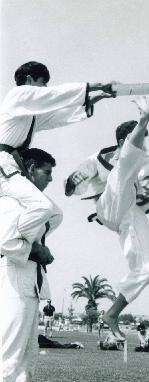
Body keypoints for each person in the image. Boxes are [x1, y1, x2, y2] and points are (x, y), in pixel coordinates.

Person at [0, 61, 116, 270]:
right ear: (28, 80)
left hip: (12, 168)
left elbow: (57, 117)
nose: (44, 89)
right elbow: (52, 97)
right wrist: (94, 86)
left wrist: (92, 100)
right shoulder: (17, 96)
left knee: (54, 215)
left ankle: (21, 246)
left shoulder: (28, 114)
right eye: (42, 83)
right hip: (3, 167)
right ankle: (14, 245)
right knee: (42, 207)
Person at [65, 97, 149, 341]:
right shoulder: (95, 158)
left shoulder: (141, 158)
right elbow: (72, 188)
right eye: (140, 139)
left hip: (129, 212)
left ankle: (112, 313)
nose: (145, 148)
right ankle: (145, 117)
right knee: (122, 171)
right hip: (107, 206)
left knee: (147, 270)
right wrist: (71, 182)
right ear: (122, 141)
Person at [0, 148, 63, 382]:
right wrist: (35, 250)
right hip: (13, 281)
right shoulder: (11, 203)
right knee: (9, 357)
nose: (51, 178)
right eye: (46, 172)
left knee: (28, 358)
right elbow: (5, 242)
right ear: (30, 168)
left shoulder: (32, 207)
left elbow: (56, 215)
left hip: (28, 283)